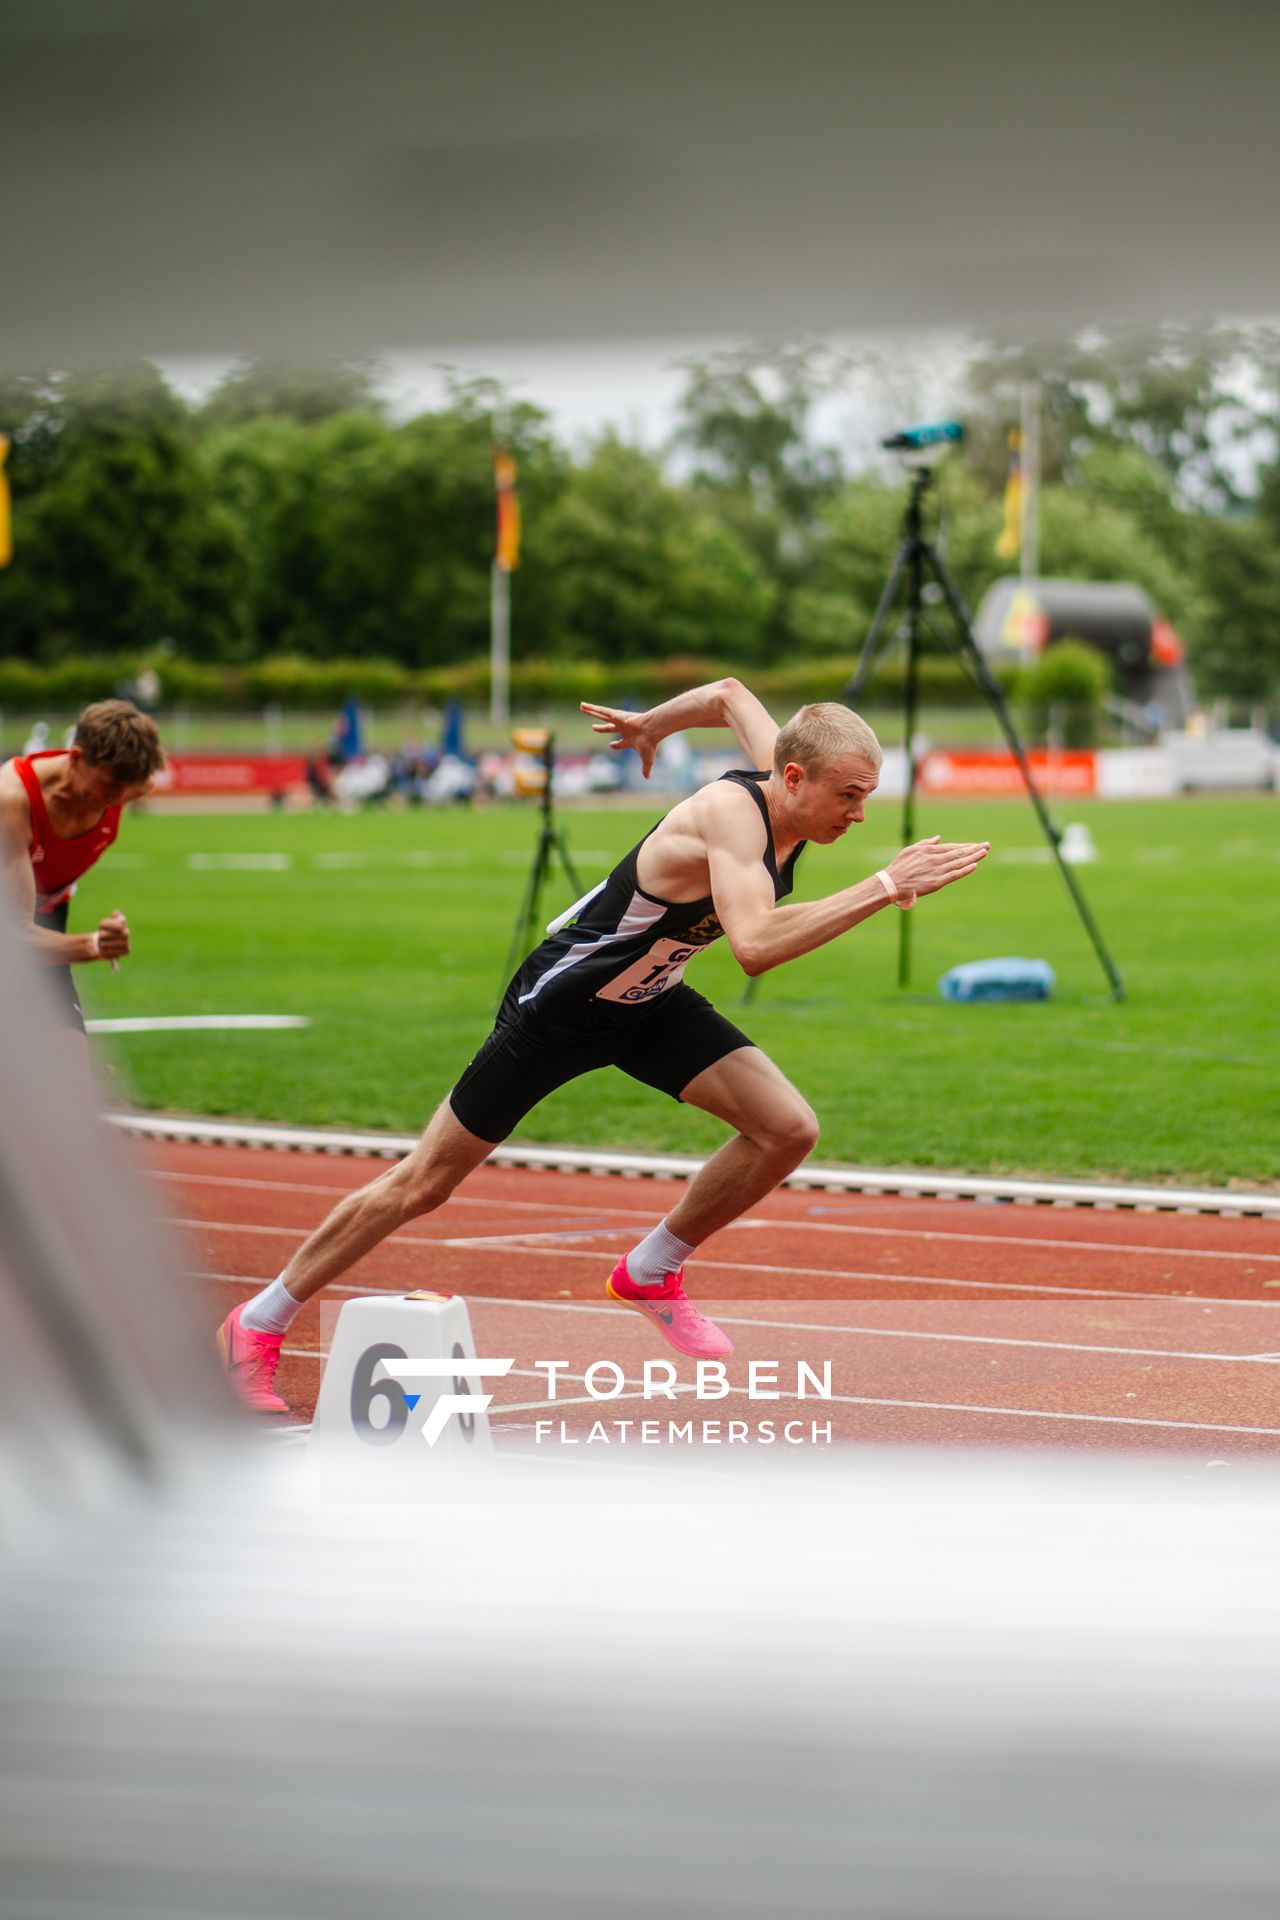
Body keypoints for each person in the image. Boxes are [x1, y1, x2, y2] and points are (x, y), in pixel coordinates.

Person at [217, 678, 988, 1413]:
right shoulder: (731, 813)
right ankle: (259, 1319)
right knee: (424, 1184)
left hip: (650, 1002)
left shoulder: (788, 771)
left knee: (787, 1129)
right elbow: (753, 942)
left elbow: (727, 695)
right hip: (561, 1006)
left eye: (867, 796)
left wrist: (653, 723)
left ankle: (650, 1271)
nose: (858, 815)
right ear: (792, 777)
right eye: (848, 796)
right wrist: (884, 886)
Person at [0, 699, 164, 1036]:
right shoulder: (11, 800)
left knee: (71, 1075)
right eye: (109, 787)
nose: (119, 802)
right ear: (76, 758)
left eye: (127, 789)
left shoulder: (124, 784)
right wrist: (94, 945)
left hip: (46, 918)